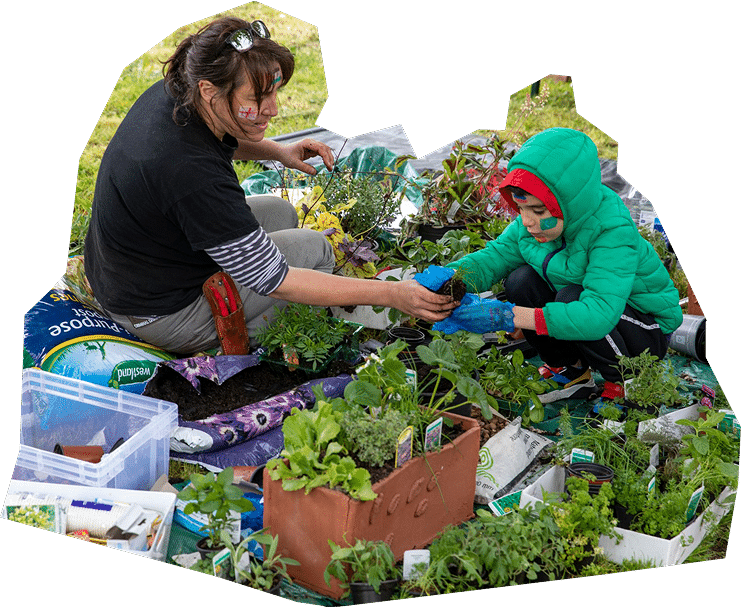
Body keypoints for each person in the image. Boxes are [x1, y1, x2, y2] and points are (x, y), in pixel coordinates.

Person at [84, 16, 455, 355]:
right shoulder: (190, 174)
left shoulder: (176, 92)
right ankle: (263, 342)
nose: (274, 109)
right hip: (160, 313)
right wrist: (392, 294)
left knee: (282, 212)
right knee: (316, 251)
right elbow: (275, 278)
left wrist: (280, 152)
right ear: (209, 89)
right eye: (257, 99)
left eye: (274, 92)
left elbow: (218, 137)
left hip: (134, 268)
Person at [431, 127, 683, 409]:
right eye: (520, 208)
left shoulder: (611, 231)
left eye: (538, 211)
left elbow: (598, 315)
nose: (526, 221)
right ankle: (572, 370)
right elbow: (496, 257)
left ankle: (628, 383)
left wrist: (508, 316)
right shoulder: (532, 225)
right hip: (594, 315)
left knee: (572, 299)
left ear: (569, 202)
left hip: (645, 329)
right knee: (520, 281)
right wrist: (450, 279)